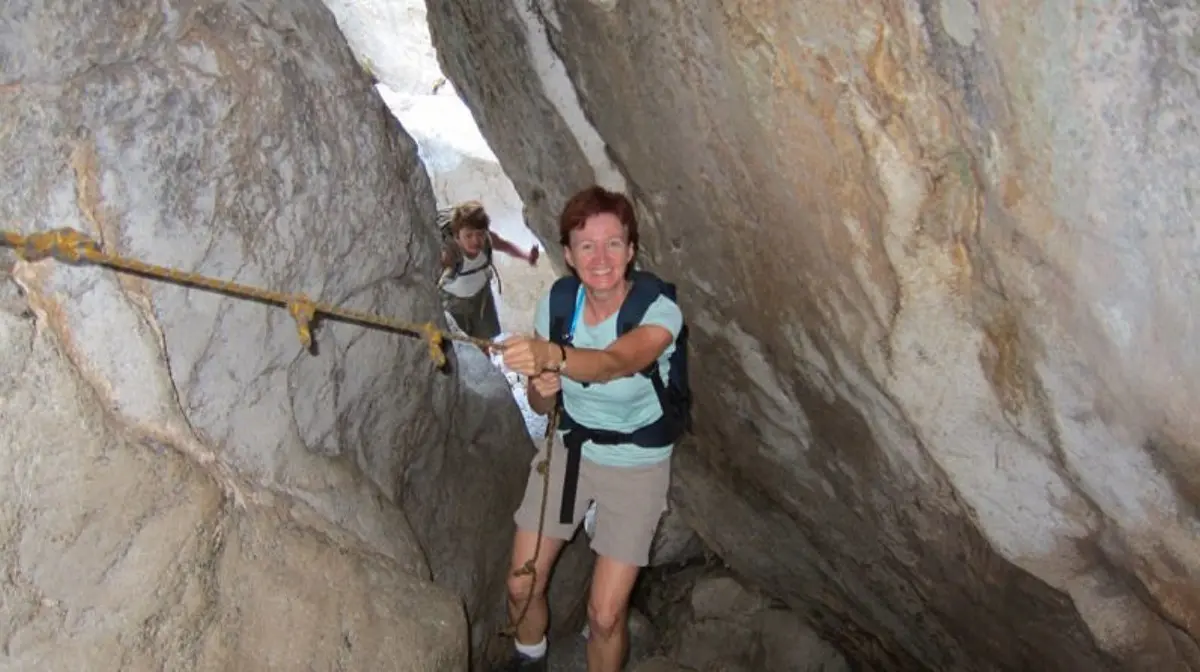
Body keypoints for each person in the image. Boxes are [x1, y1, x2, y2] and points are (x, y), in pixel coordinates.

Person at [498, 185, 689, 672]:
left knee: (604, 616)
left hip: (637, 464)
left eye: (613, 244)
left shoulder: (658, 310)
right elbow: (541, 404)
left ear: (631, 251)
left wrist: (552, 356)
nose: (600, 257)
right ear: (568, 254)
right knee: (522, 583)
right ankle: (531, 658)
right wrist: (543, 383)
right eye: (586, 245)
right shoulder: (558, 306)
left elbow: (612, 362)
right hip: (571, 449)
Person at [438, 201, 539, 340]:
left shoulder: (487, 240)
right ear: (456, 236)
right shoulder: (450, 254)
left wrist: (527, 256)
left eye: (480, 234)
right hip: (455, 305)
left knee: (487, 341)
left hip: (482, 298)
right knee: (464, 345)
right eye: (468, 236)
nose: (475, 241)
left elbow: (505, 246)